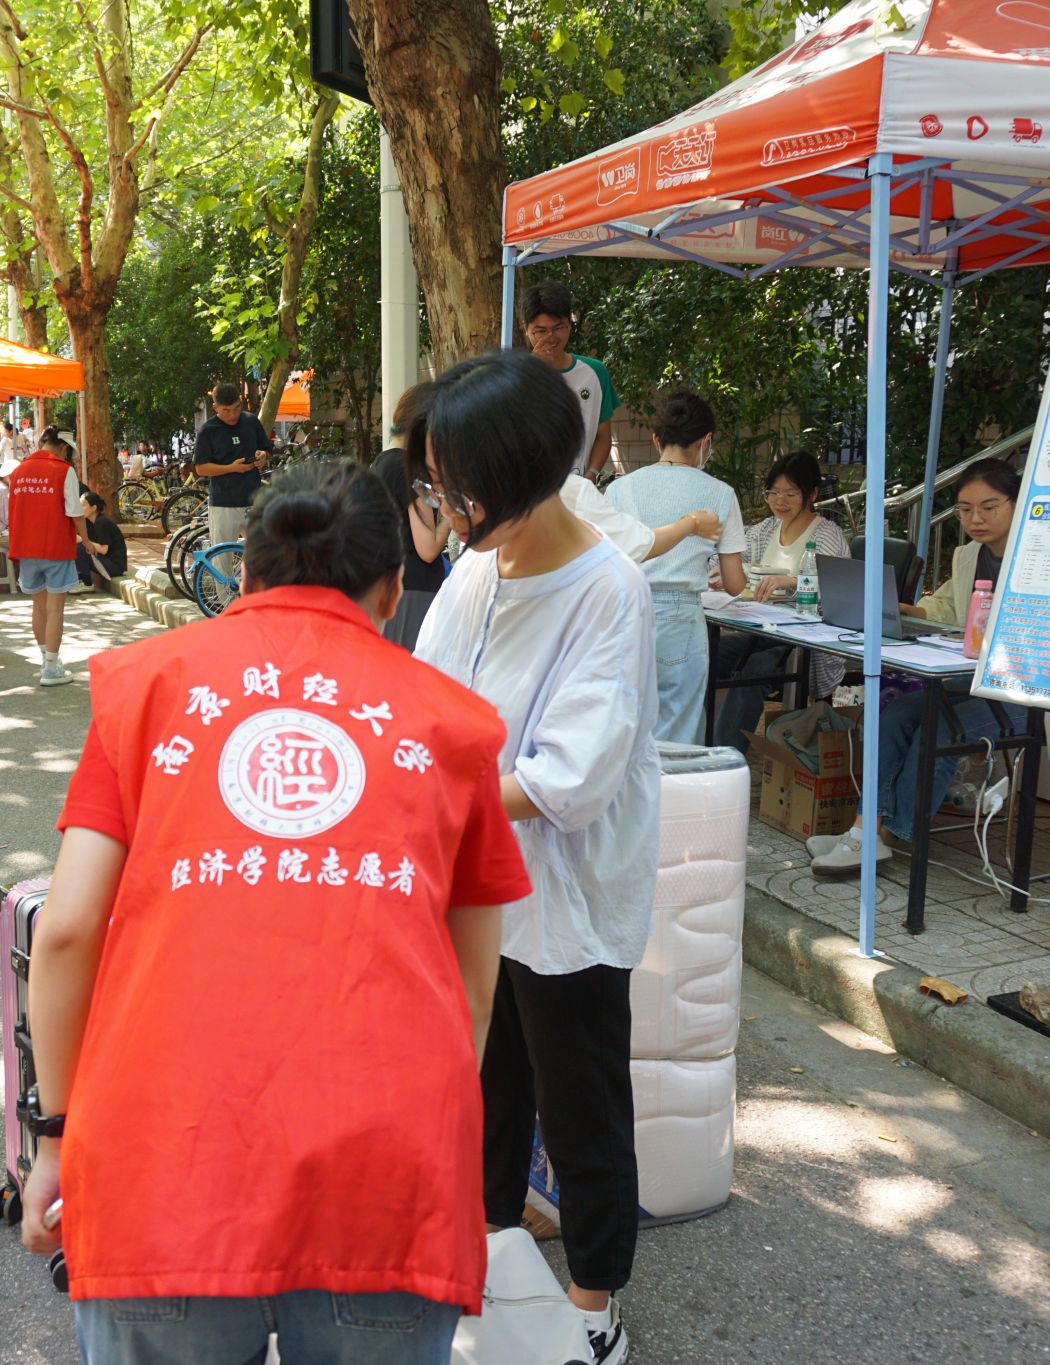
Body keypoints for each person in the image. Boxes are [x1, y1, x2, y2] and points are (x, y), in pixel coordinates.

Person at [21, 461, 530, 1365]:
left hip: (165, 1167)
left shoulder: (146, 686)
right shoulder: (453, 724)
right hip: (386, 1178)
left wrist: (55, 1136)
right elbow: (475, 992)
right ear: (393, 588)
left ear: (246, 574)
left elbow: (64, 931)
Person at [410, 349, 657, 1365]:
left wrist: (425, 790)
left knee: (580, 1103)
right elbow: (425, 701)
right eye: (438, 485)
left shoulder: (608, 589)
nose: (447, 511)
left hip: (565, 895)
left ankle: (595, 1306)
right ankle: (491, 1264)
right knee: (486, 1088)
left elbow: (570, 778)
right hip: (475, 892)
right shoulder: (476, 568)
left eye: (459, 490)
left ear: (521, 477)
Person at [809, 458, 1026, 877]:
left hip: (1024, 691)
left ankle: (889, 835)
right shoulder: (969, 555)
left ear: (1016, 504)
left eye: (989, 507)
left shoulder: (1037, 559)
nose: (975, 519)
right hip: (971, 678)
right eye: (965, 509)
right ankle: (864, 832)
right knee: (894, 715)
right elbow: (947, 605)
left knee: (938, 727)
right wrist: (904, 608)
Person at [605, 390, 746, 746]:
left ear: (656, 439)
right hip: (682, 621)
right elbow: (734, 584)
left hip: (624, 614)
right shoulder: (721, 493)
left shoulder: (619, 489)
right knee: (678, 733)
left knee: (624, 729)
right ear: (705, 441)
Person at [710, 452, 851, 752]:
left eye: (790, 494)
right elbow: (733, 558)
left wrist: (791, 583)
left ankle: (725, 757)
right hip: (760, 630)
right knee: (704, 653)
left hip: (805, 644)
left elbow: (837, 592)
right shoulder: (766, 529)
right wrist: (723, 572)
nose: (779, 501)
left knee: (754, 670)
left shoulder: (827, 535)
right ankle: (697, 744)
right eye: (773, 493)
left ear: (812, 494)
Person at [4, 425, 84, 685]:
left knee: (38, 607)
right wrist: (88, 540)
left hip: (26, 547)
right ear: (64, 447)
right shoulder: (64, 470)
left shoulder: (19, 471)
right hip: (56, 546)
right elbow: (75, 511)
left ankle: (46, 660)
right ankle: (51, 668)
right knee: (55, 609)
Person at [369, 382, 445, 650]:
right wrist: (452, 512)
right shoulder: (410, 469)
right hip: (415, 589)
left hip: (388, 585)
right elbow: (428, 549)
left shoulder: (382, 462)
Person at [518, 281, 620, 477]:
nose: (551, 337)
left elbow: (602, 435)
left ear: (569, 324)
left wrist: (590, 476)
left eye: (558, 328)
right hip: (529, 490)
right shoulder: (513, 378)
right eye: (541, 331)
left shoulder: (595, 372)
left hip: (578, 487)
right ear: (525, 328)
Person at [193, 381, 271, 557]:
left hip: (253, 501)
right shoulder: (208, 431)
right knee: (222, 558)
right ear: (215, 407)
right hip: (223, 504)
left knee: (264, 555)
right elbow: (201, 468)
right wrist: (231, 468)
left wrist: (263, 456)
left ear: (240, 401)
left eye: (236, 408)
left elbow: (266, 449)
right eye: (226, 410)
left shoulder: (251, 422)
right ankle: (224, 578)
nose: (233, 415)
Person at [73, 489, 126, 587]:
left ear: (94, 508)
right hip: (101, 561)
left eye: (83, 505)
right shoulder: (88, 522)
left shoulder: (102, 522)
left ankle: (86, 583)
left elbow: (103, 550)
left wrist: (82, 540)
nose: (79, 509)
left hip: (114, 566)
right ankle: (76, 579)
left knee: (79, 548)